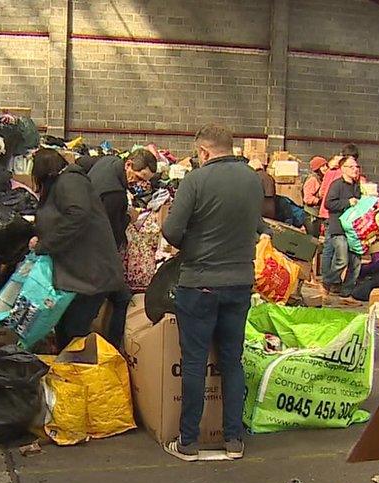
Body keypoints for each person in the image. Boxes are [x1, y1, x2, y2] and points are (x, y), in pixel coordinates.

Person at [161, 124, 263, 462]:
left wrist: (196, 244)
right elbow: (257, 225)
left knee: (194, 362)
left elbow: (172, 231)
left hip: (200, 283)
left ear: (203, 152)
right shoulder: (253, 179)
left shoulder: (196, 180)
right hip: (240, 282)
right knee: (232, 361)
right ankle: (233, 439)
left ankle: (188, 441)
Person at [29, 149, 126, 350]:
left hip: (90, 276)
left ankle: (77, 375)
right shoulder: (64, 183)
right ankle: (69, 374)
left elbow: (77, 214)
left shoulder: (69, 181)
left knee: (74, 332)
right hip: (81, 275)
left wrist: (45, 245)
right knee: (66, 330)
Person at [87, 148, 158, 350]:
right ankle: (112, 348)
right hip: (97, 258)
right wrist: (129, 218)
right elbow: (112, 233)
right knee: (122, 298)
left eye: (145, 180)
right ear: (129, 165)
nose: (139, 184)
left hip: (88, 250)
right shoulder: (115, 194)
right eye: (138, 177)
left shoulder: (108, 162)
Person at [323, 155, 364, 305]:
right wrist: (347, 202)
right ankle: (326, 284)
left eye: (357, 167)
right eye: (351, 167)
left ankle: (346, 294)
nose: (355, 170)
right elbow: (328, 203)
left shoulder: (357, 186)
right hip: (338, 228)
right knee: (342, 260)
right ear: (343, 169)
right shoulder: (337, 185)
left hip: (354, 231)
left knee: (356, 262)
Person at [302, 156, 328, 237]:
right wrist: (319, 201)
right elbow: (307, 198)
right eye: (322, 166)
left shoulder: (322, 179)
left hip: (317, 214)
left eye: (326, 166)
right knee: (313, 239)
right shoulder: (313, 179)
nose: (325, 168)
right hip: (311, 215)